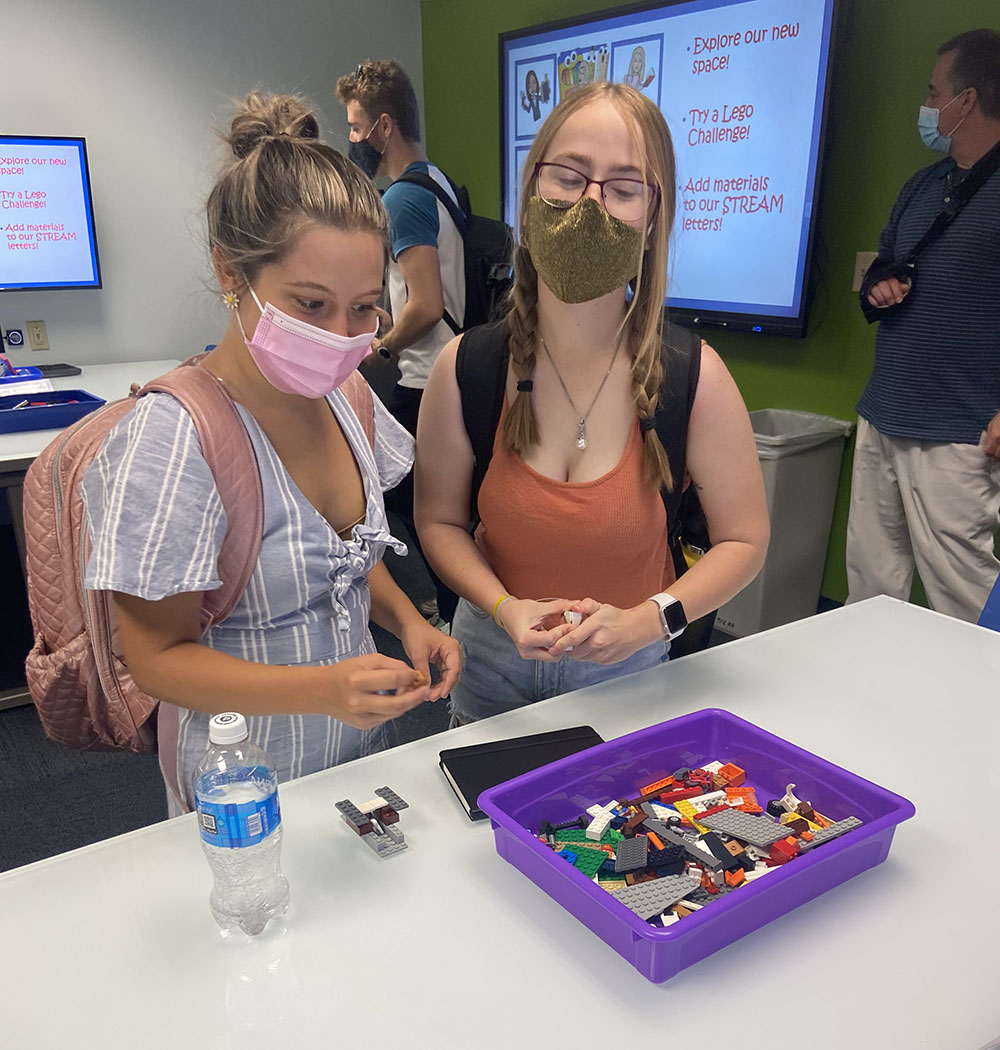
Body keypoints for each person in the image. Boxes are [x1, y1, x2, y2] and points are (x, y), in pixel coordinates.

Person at [80, 93, 461, 814]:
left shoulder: (346, 399)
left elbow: (341, 558)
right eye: (311, 304)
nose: (342, 334)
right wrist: (320, 690)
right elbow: (155, 660)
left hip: (351, 766)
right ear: (231, 273)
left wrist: (410, 620)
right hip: (243, 791)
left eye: (363, 307)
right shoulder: (175, 439)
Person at [415, 82, 769, 724]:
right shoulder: (468, 368)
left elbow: (743, 539)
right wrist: (503, 606)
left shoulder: (695, 377)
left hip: (629, 670)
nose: (590, 205)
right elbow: (438, 522)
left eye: (624, 188)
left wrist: (651, 620)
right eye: (570, 176)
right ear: (531, 188)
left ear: (653, 215)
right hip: (489, 660)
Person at [847, 29, 1000, 624]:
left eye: (935, 92)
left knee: (963, 597)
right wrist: (879, 287)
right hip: (884, 411)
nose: (928, 104)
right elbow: (884, 264)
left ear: (967, 100)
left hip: (958, 432)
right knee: (868, 586)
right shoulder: (922, 186)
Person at [336, 60, 465, 615]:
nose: (352, 138)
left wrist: (380, 349)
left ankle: (450, 610)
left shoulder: (400, 200)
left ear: (384, 127)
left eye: (356, 126)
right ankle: (453, 606)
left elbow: (429, 305)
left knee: (411, 504)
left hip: (426, 376)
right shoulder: (435, 181)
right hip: (453, 365)